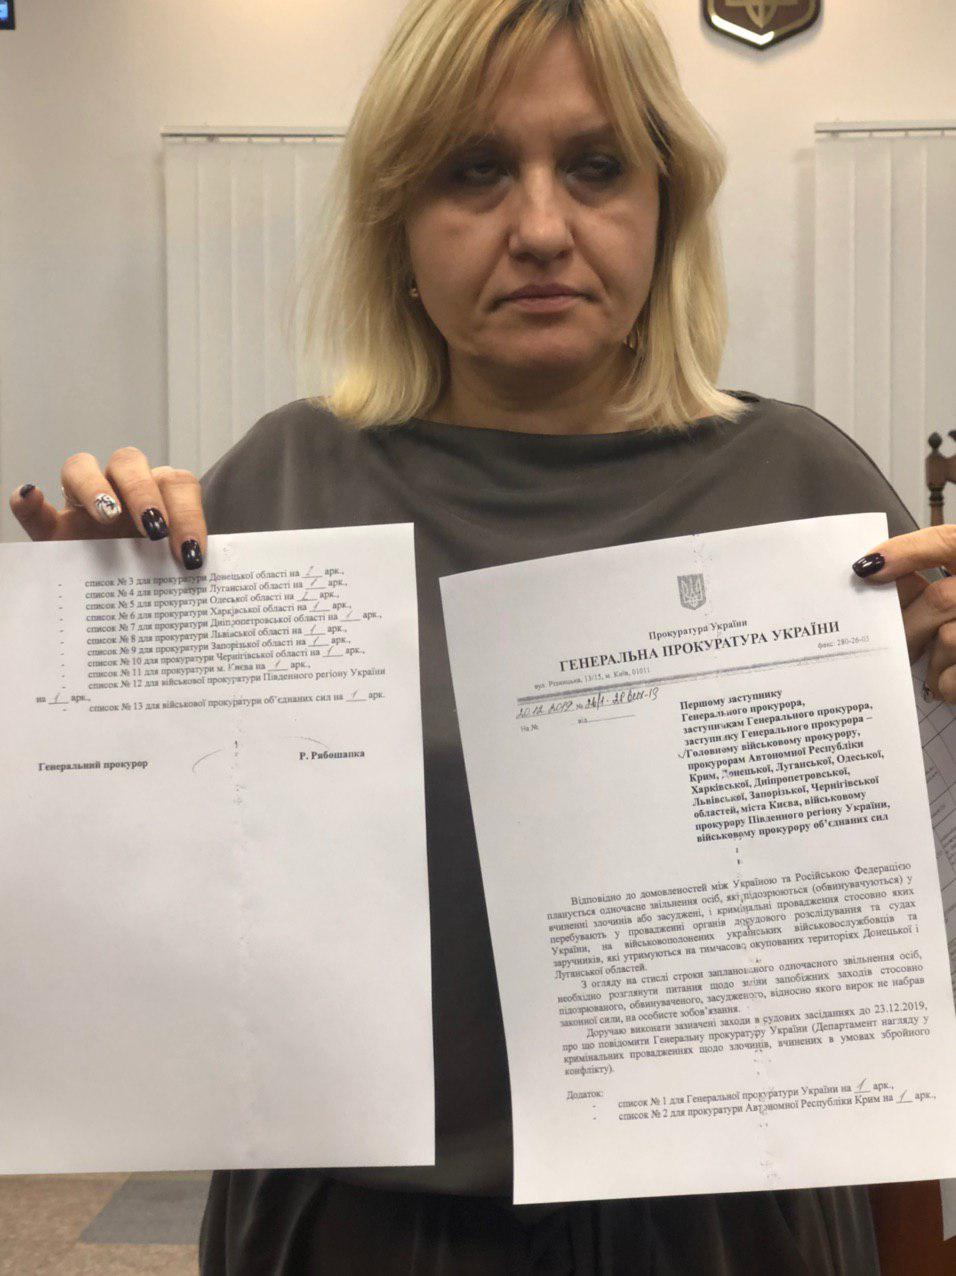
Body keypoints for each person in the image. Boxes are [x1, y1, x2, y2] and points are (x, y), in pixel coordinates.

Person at [10, 0, 956, 1271]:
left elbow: (904, 926)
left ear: (665, 202)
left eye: (596, 165)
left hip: (724, 1221)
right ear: (396, 219)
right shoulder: (283, 484)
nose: (541, 228)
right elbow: (151, 920)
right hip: (360, 1223)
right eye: (473, 170)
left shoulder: (800, 485)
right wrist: (75, 679)